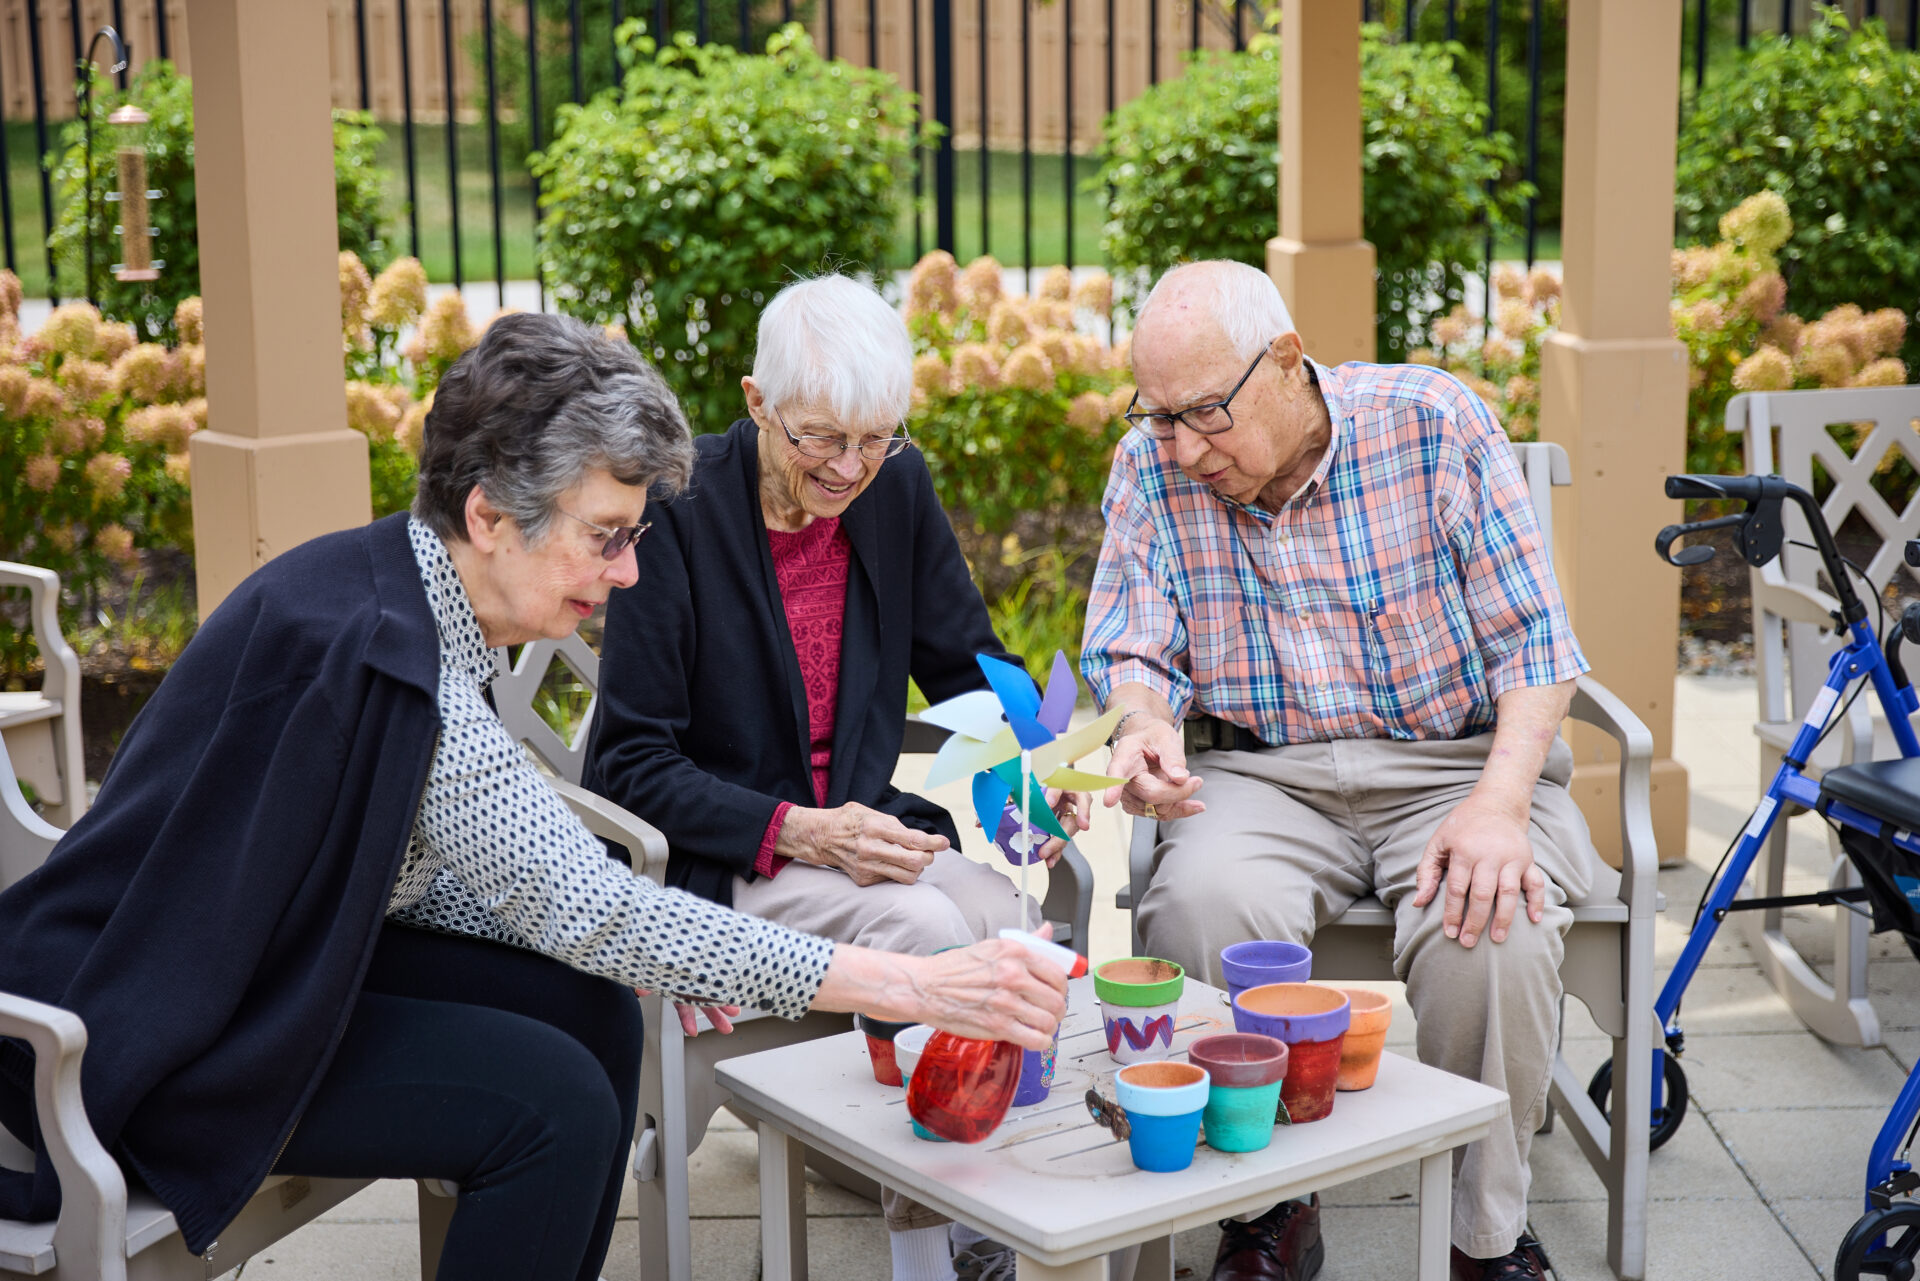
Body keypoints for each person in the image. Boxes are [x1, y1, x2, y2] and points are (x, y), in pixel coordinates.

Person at [0, 313, 1067, 1281]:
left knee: (592, 1008)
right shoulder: (399, 664)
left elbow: (450, 881)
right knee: (546, 1105)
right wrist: (916, 988)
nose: (630, 572)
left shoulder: (392, 588)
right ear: (491, 516)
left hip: (277, 957)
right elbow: (587, 906)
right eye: (607, 535)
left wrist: (667, 945)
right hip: (153, 1023)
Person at [1083, 261, 1595, 1281]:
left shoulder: (1431, 421)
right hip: (1263, 778)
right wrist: (1141, 724)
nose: (1179, 449)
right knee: (1198, 908)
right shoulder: (1153, 466)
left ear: (1283, 363)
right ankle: (1265, 1210)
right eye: (1157, 416)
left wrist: (1499, 805)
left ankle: (1483, 1239)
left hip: (1454, 766)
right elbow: (1132, 651)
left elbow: (1534, 643)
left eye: (1201, 416)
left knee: (1494, 928)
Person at [584, 274, 1087, 1281]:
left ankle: (980, 1198)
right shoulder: (674, 512)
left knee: (1012, 925)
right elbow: (630, 762)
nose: (851, 466)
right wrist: (804, 832)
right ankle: (926, 1255)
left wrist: (1033, 765)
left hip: (865, 836)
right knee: (933, 937)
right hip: (735, 854)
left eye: (876, 437)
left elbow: (958, 660)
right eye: (821, 438)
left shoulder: (895, 487)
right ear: (757, 401)